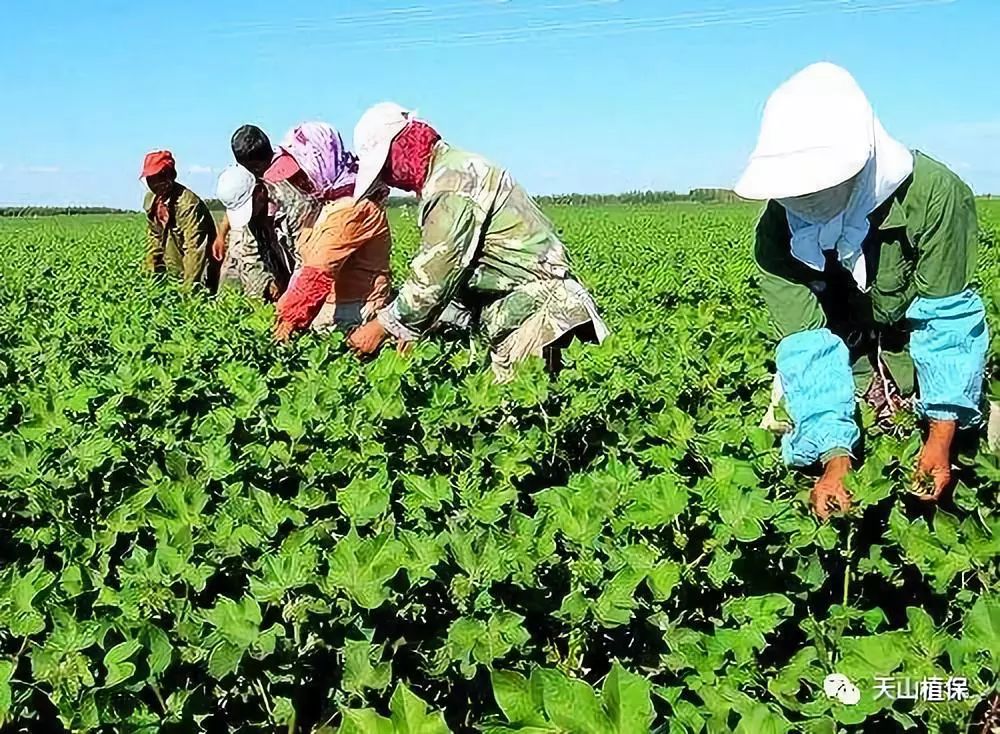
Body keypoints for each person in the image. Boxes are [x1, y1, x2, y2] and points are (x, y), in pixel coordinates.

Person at [734, 62, 991, 520]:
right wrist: (834, 459)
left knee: (958, 468)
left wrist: (939, 440)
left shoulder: (934, 194)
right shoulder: (776, 233)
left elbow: (947, 323)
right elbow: (808, 347)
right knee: (796, 452)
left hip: (917, 363)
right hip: (839, 371)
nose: (806, 198)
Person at [345, 103, 609, 382]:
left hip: (542, 321)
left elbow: (437, 274)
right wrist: (416, 327)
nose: (391, 180)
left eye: (386, 168)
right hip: (540, 314)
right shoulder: (455, 168)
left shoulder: (450, 182)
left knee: (535, 415)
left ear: (400, 149)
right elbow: (463, 272)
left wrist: (385, 325)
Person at [270, 122, 393, 338]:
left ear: (320, 161)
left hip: (358, 313)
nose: (298, 183)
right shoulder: (331, 199)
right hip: (339, 308)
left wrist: (290, 318)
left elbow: (319, 269)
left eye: (301, 174)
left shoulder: (353, 206)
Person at [215, 164, 295, 301]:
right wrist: (266, 282)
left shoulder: (289, 200)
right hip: (268, 256)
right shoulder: (248, 209)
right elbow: (250, 254)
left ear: (259, 193)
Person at [141, 150, 216, 288]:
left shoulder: (188, 204)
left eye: (159, 177)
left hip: (203, 266)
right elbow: (155, 239)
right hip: (176, 264)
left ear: (170, 176)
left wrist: (188, 289)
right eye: (150, 178)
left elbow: (194, 249)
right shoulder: (151, 200)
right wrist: (149, 278)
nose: (153, 183)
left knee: (202, 292)